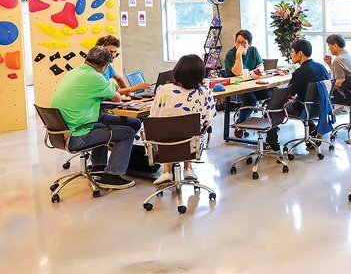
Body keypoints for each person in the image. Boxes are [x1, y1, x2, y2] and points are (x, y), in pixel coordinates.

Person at [50, 46, 138, 190]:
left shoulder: (73, 72)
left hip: (65, 130)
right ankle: (111, 176)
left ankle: (99, 168)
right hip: (78, 134)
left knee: (133, 122)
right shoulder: (96, 77)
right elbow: (116, 98)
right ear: (104, 67)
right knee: (127, 132)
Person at [150, 55, 217, 185]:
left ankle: (167, 171)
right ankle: (188, 168)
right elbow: (207, 121)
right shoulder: (204, 92)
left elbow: (154, 115)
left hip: (164, 145)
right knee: (191, 129)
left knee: (166, 125)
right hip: (191, 146)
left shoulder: (164, 89)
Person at [265, 39, 330, 150]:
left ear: (300, 53)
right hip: (321, 107)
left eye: (292, 52)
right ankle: (313, 131)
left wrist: (282, 97)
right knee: (304, 102)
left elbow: (288, 94)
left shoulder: (300, 72)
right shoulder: (321, 67)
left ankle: (272, 143)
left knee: (271, 107)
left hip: (304, 108)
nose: (291, 55)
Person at [223, 30, 270, 131]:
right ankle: (240, 124)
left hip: (252, 85)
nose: (240, 45)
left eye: (243, 42)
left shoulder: (253, 50)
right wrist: (238, 54)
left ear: (250, 44)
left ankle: (268, 122)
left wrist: (257, 71)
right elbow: (238, 72)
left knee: (273, 92)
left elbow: (261, 66)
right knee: (250, 100)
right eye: (237, 41)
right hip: (236, 88)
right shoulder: (230, 54)